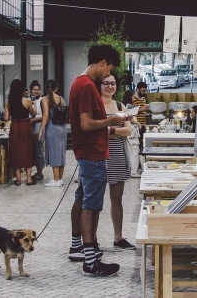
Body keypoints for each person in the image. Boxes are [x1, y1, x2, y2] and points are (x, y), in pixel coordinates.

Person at [67, 44, 126, 276]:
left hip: (87, 153)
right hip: (92, 153)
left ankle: (81, 248)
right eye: (109, 67)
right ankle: (90, 261)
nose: (108, 73)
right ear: (103, 62)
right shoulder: (88, 87)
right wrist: (111, 120)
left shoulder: (78, 82)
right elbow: (86, 124)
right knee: (92, 206)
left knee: (84, 200)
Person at [99, 71, 136, 250]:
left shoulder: (121, 105)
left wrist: (109, 131)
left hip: (117, 154)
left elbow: (128, 131)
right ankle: (90, 240)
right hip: (97, 154)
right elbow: (92, 129)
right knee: (94, 199)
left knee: (117, 198)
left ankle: (118, 237)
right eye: (106, 83)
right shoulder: (95, 104)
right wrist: (114, 128)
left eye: (112, 83)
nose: (109, 86)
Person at [4, 79, 36, 186]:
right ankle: (28, 179)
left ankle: (18, 179)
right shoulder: (27, 100)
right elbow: (33, 114)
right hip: (25, 126)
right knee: (27, 150)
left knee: (15, 150)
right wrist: (34, 105)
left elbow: (6, 118)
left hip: (14, 126)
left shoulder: (9, 102)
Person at [38, 79, 67, 187]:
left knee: (54, 153)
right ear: (56, 88)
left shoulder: (45, 99)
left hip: (52, 128)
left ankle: (55, 180)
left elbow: (45, 115)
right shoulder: (61, 99)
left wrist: (41, 130)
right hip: (62, 129)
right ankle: (60, 179)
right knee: (61, 154)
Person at [29, 80, 45, 182]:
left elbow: (45, 115)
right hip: (29, 125)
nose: (36, 91)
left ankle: (40, 172)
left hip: (38, 124)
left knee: (38, 149)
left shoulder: (43, 100)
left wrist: (34, 120)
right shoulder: (28, 100)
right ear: (31, 91)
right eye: (34, 90)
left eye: (38, 90)